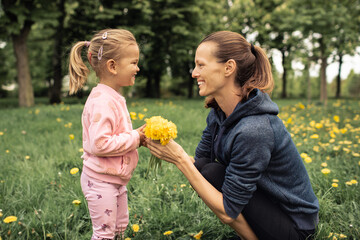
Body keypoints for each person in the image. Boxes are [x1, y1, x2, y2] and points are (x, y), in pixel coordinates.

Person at [145, 31, 319, 240]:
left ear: (228, 68)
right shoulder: (219, 113)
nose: (194, 73)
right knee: (206, 169)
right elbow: (200, 165)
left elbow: (228, 212)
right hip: (266, 205)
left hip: (295, 226)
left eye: (201, 65)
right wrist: (166, 148)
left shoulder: (254, 130)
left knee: (207, 172)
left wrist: (180, 159)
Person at [68, 29, 145, 240]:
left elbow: (115, 135)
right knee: (104, 234)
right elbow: (100, 144)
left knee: (119, 228)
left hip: (114, 179)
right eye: (133, 62)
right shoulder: (102, 101)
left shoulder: (111, 97)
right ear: (112, 66)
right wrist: (136, 138)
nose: (137, 68)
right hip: (100, 181)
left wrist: (137, 137)